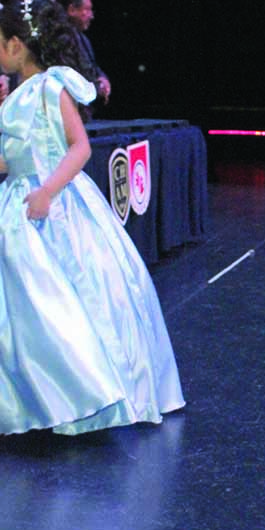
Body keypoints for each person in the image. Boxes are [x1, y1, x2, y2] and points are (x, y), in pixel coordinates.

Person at [0, 0, 184, 435]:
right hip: (20, 201)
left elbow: (79, 147)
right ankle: (34, 396)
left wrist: (48, 190)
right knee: (23, 306)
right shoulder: (16, 94)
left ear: (16, 45)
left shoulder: (51, 87)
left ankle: (83, 390)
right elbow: (14, 155)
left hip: (54, 203)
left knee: (62, 296)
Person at [58, 0, 110, 115]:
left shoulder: (83, 39)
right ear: (72, 10)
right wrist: (98, 86)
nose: (91, 16)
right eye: (87, 10)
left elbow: (93, 66)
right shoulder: (63, 40)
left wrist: (102, 78)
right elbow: (73, 78)